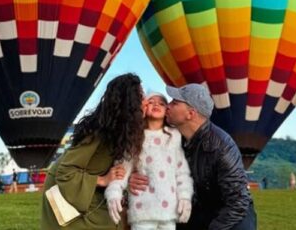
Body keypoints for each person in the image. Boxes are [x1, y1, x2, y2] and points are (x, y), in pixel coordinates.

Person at [129, 83, 257, 230]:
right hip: (198, 210)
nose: (168, 106)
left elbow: (238, 202)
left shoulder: (221, 147)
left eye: (175, 103)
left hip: (231, 217)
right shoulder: (173, 139)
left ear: (190, 114)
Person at [40, 73, 146, 229]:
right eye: (141, 97)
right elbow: (66, 172)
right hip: (66, 189)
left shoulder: (123, 132)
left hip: (87, 191)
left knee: (112, 219)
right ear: (131, 103)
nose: (146, 101)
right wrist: (102, 179)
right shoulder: (98, 132)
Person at [105, 92, 193, 229]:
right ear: (144, 107)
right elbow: (122, 169)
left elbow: (181, 171)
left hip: (168, 212)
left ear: (166, 112)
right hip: (142, 210)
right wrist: (114, 193)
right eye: (151, 101)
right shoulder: (134, 137)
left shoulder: (175, 137)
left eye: (162, 103)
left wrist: (185, 197)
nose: (157, 104)